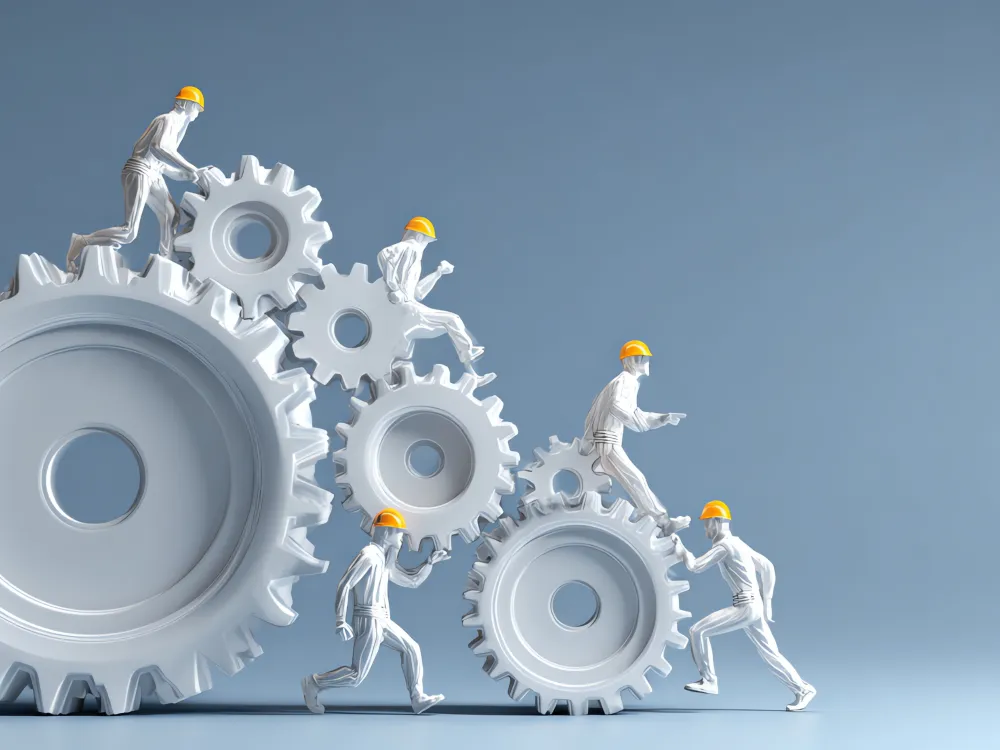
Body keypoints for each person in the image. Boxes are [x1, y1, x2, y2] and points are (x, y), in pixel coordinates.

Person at [301, 508, 449, 714]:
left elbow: (411, 581)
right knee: (356, 676)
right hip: (368, 619)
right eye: (399, 533)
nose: (401, 539)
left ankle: (417, 698)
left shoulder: (384, 561)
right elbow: (345, 584)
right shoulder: (369, 556)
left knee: (412, 648)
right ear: (387, 532)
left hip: (382, 620)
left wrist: (429, 563)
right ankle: (314, 683)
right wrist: (340, 620)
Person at [672, 500, 816, 711]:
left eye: (706, 523)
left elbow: (695, 566)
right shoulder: (738, 543)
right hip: (753, 606)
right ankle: (803, 690)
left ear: (716, 521)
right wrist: (766, 602)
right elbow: (767, 567)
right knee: (770, 653)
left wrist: (680, 547)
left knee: (697, 631)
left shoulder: (724, 546)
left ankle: (709, 680)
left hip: (745, 607)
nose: (705, 529)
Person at [66, 86, 205, 274]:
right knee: (129, 232)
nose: (197, 112)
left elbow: (163, 164)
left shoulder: (177, 126)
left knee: (171, 214)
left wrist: (189, 176)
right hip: (139, 170)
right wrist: (189, 168)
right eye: (197, 107)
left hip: (153, 173)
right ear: (188, 104)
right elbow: (159, 148)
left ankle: (165, 263)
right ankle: (82, 241)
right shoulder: (167, 119)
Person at [579, 340, 689, 535]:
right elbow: (618, 407)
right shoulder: (626, 380)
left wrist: (661, 418)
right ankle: (662, 522)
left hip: (604, 442)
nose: (647, 363)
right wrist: (639, 422)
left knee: (632, 481)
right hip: (608, 443)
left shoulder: (620, 381)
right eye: (644, 358)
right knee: (635, 479)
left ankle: (649, 520)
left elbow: (613, 411)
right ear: (634, 360)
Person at [377, 217, 494, 386]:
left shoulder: (415, 258)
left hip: (409, 308)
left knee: (401, 355)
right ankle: (467, 354)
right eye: (427, 240)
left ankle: (473, 374)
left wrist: (438, 273)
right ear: (419, 236)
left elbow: (418, 292)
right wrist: (393, 287)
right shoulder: (410, 248)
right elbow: (384, 254)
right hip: (404, 308)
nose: (426, 244)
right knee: (452, 320)